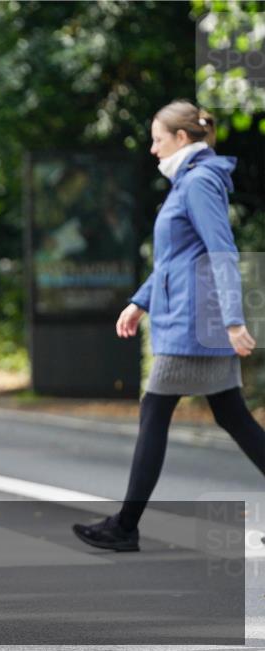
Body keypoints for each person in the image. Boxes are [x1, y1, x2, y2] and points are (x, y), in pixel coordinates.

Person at [73, 101, 264, 552]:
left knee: (155, 411)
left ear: (182, 139)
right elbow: (176, 260)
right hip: (193, 318)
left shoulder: (198, 183)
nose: (153, 149)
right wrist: (140, 302)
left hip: (194, 323)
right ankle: (125, 524)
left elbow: (222, 251)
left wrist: (235, 320)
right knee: (232, 416)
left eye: (158, 139)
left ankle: (125, 525)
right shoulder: (191, 182)